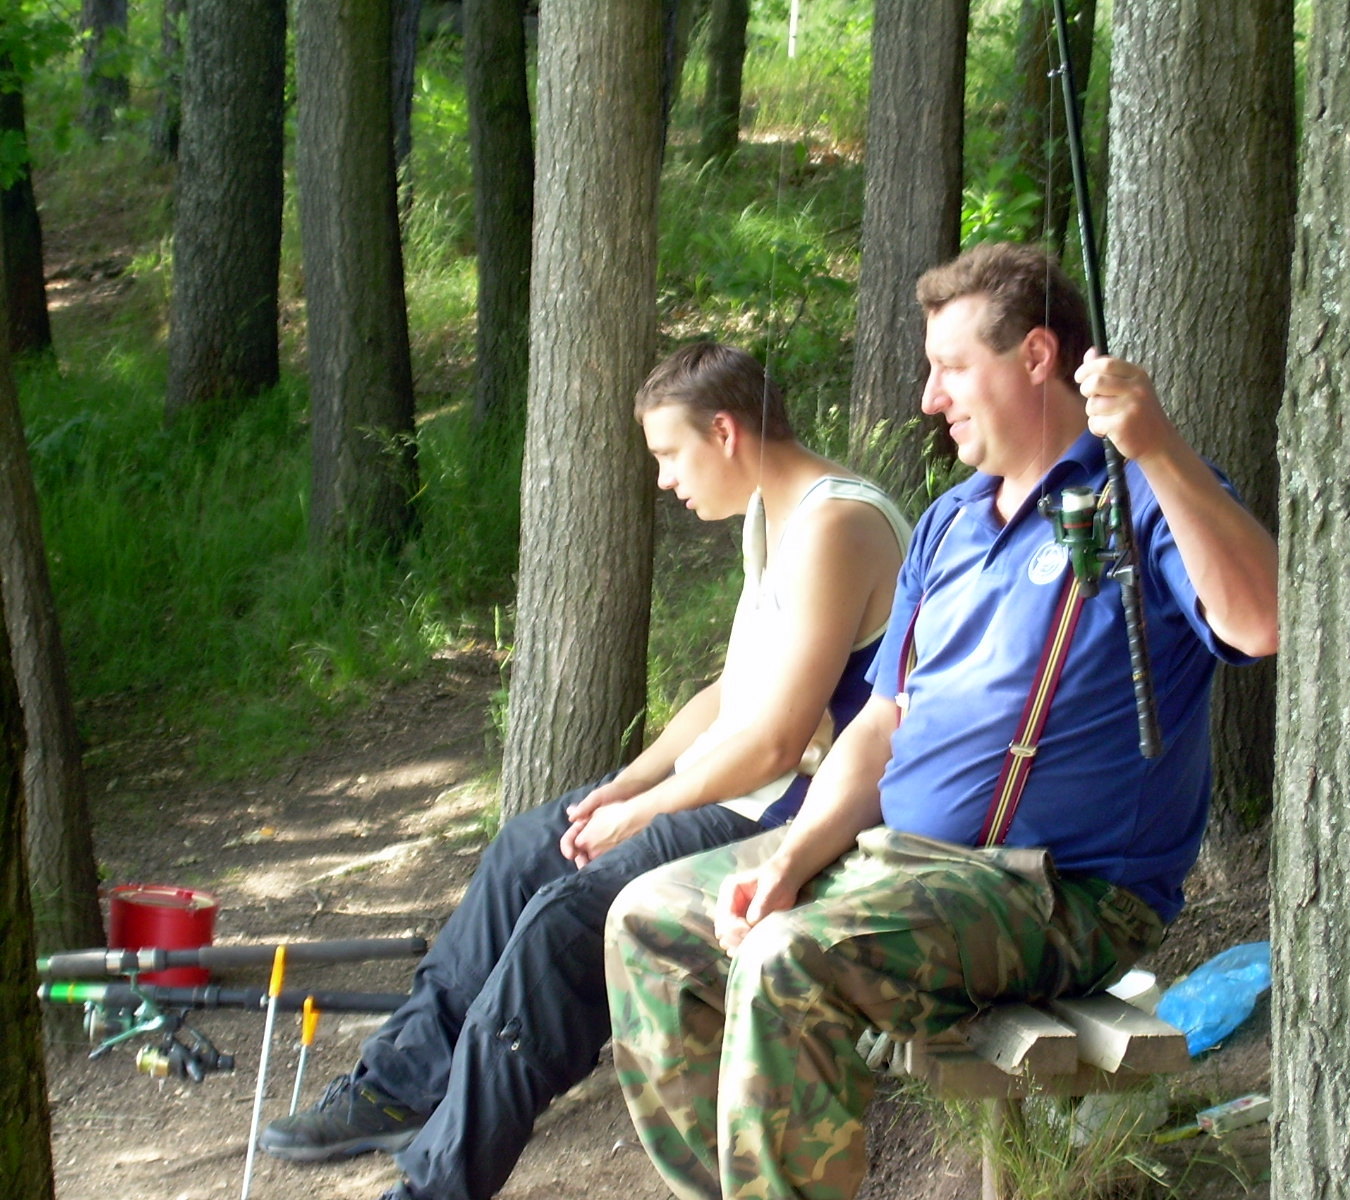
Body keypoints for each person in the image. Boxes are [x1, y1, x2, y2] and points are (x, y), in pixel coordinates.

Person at [603, 243, 1280, 1200]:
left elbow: (1261, 622)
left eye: (952, 368)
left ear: (1036, 357)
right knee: (648, 920)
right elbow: (878, 726)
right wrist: (791, 860)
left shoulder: (1142, 496)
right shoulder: (948, 524)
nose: (930, 398)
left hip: (1061, 896)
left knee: (792, 959)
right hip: (902, 867)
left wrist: (1159, 450)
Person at [260, 342, 912, 1200]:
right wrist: (630, 784)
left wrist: (649, 812)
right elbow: (733, 694)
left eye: (669, 454)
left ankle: (436, 1187)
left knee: (561, 926)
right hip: (746, 788)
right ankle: (398, 1086)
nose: (664, 480)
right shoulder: (771, 511)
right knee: (525, 850)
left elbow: (778, 742)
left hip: (798, 810)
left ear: (725, 432)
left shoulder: (837, 525)